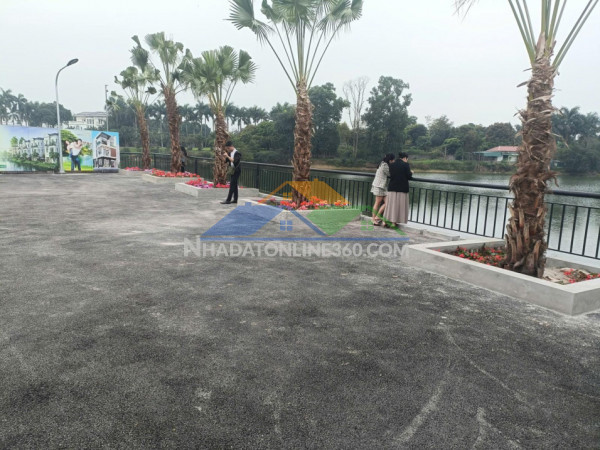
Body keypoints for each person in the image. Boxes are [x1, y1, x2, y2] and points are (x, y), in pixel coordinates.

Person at [383, 152, 412, 228]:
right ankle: (394, 222)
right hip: (402, 188)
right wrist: (411, 172)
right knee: (399, 206)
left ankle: (387, 221)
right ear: (405, 158)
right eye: (407, 159)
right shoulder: (406, 165)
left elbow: (391, 175)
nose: (407, 160)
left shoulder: (392, 164)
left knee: (391, 206)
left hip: (392, 188)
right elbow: (409, 176)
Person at [370, 153, 395, 225]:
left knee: (388, 203)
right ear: (390, 160)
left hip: (382, 186)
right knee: (377, 203)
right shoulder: (384, 165)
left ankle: (377, 216)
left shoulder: (382, 163)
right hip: (379, 186)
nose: (394, 161)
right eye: (393, 160)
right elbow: (390, 174)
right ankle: (373, 219)